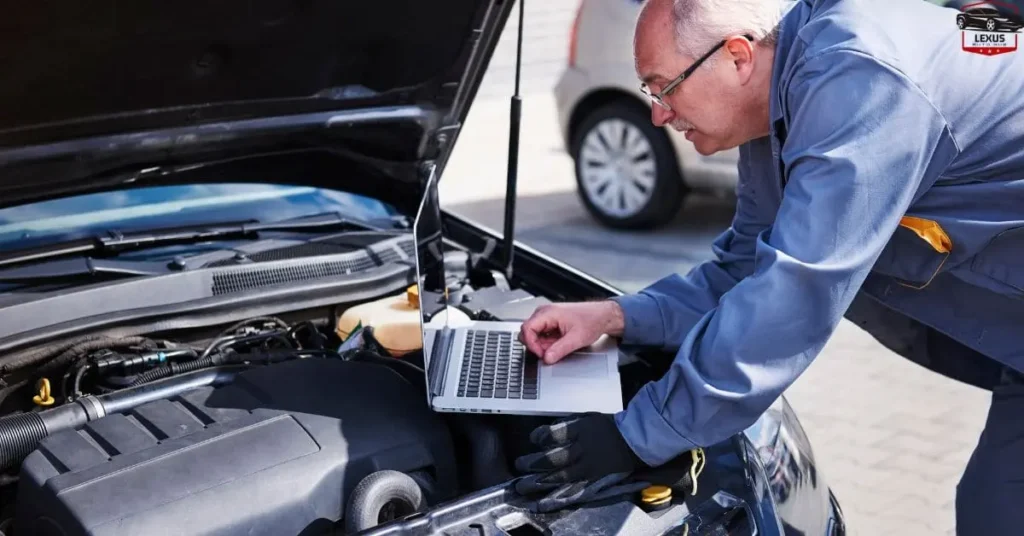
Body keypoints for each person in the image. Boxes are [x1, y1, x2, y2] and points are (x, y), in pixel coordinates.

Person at [512, 0, 1024, 533]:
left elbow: (795, 291)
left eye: (663, 86)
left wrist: (638, 435)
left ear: (736, 56)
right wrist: (613, 317)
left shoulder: (861, 79)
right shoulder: (780, 102)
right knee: (999, 505)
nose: (658, 114)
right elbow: (747, 269)